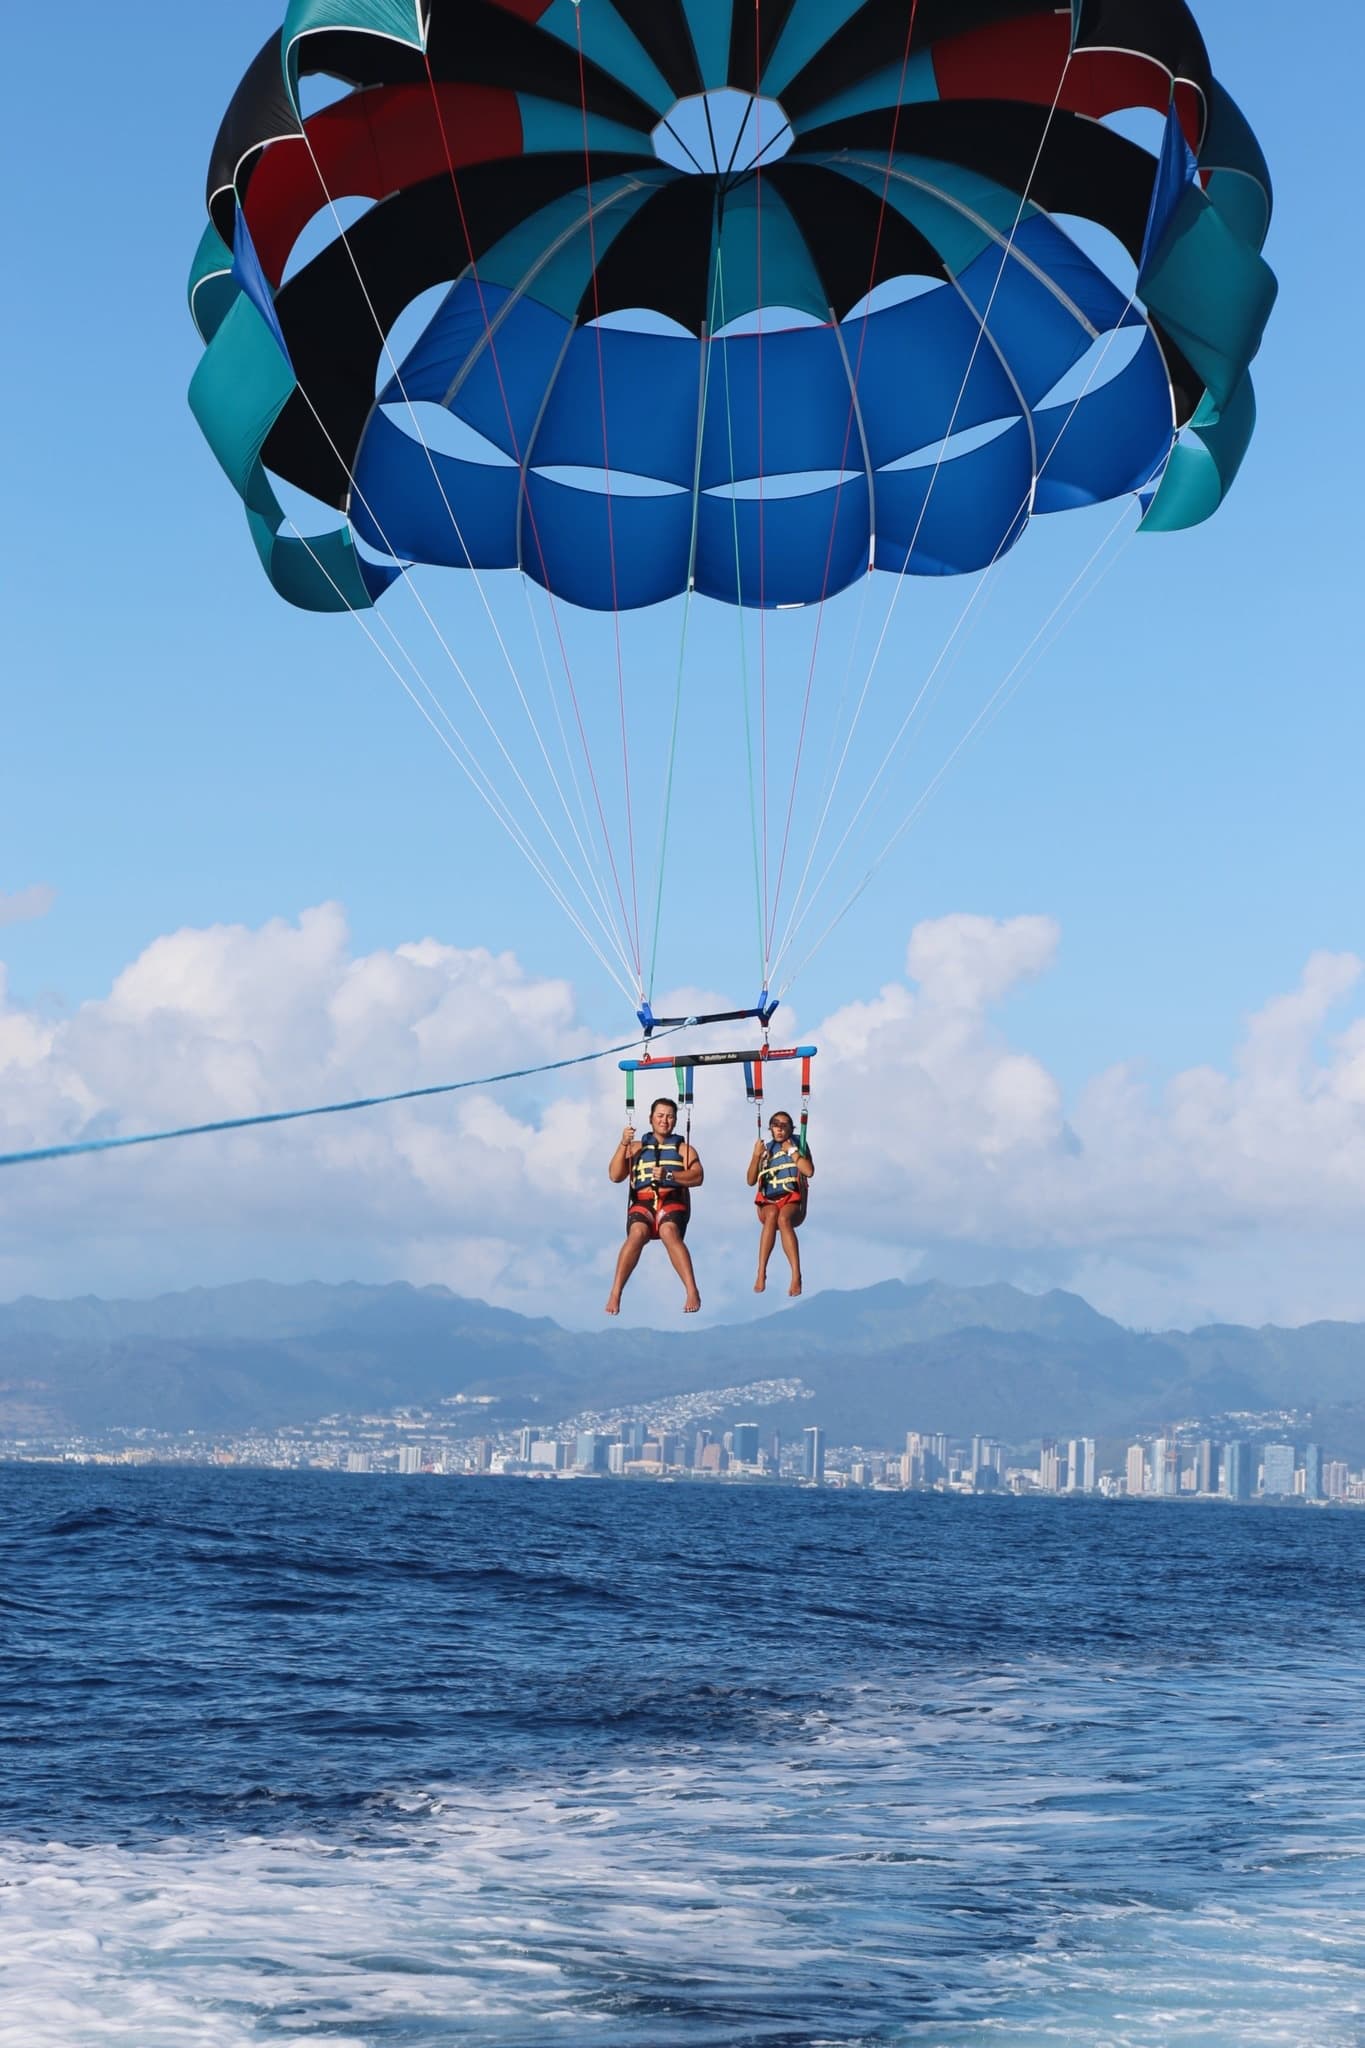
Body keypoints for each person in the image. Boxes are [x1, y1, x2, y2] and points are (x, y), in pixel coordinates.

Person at [605, 1097, 704, 1315]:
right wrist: (623, 1144)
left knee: (668, 1231)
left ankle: (691, 1290)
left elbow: (698, 1176)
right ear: (651, 1119)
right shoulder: (636, 1148)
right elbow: (614, 1175)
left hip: (672, 1202)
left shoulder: (684, 1149)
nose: (664, 1120)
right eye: (660, 1115)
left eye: (669, 1116)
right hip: (643, 1202)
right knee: (637, 1233)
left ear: (675, 1120)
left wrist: (670, 1175)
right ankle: (615, 1292)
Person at [748, 1110, 814, 1297]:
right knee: (771, 1216)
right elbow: (750, 1180)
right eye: (776, 1124)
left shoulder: (798, 1144)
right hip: (769, 1200)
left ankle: (796, 1275)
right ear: (770, 1128)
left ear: (791, 1128)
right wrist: (755, 1156)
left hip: (792, 1198)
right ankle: (761, 1272)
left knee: (783, 1219)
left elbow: (808, 1171)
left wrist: (792, 1152)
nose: (780, 1128)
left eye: (784, 1125)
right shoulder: (765, 1149)